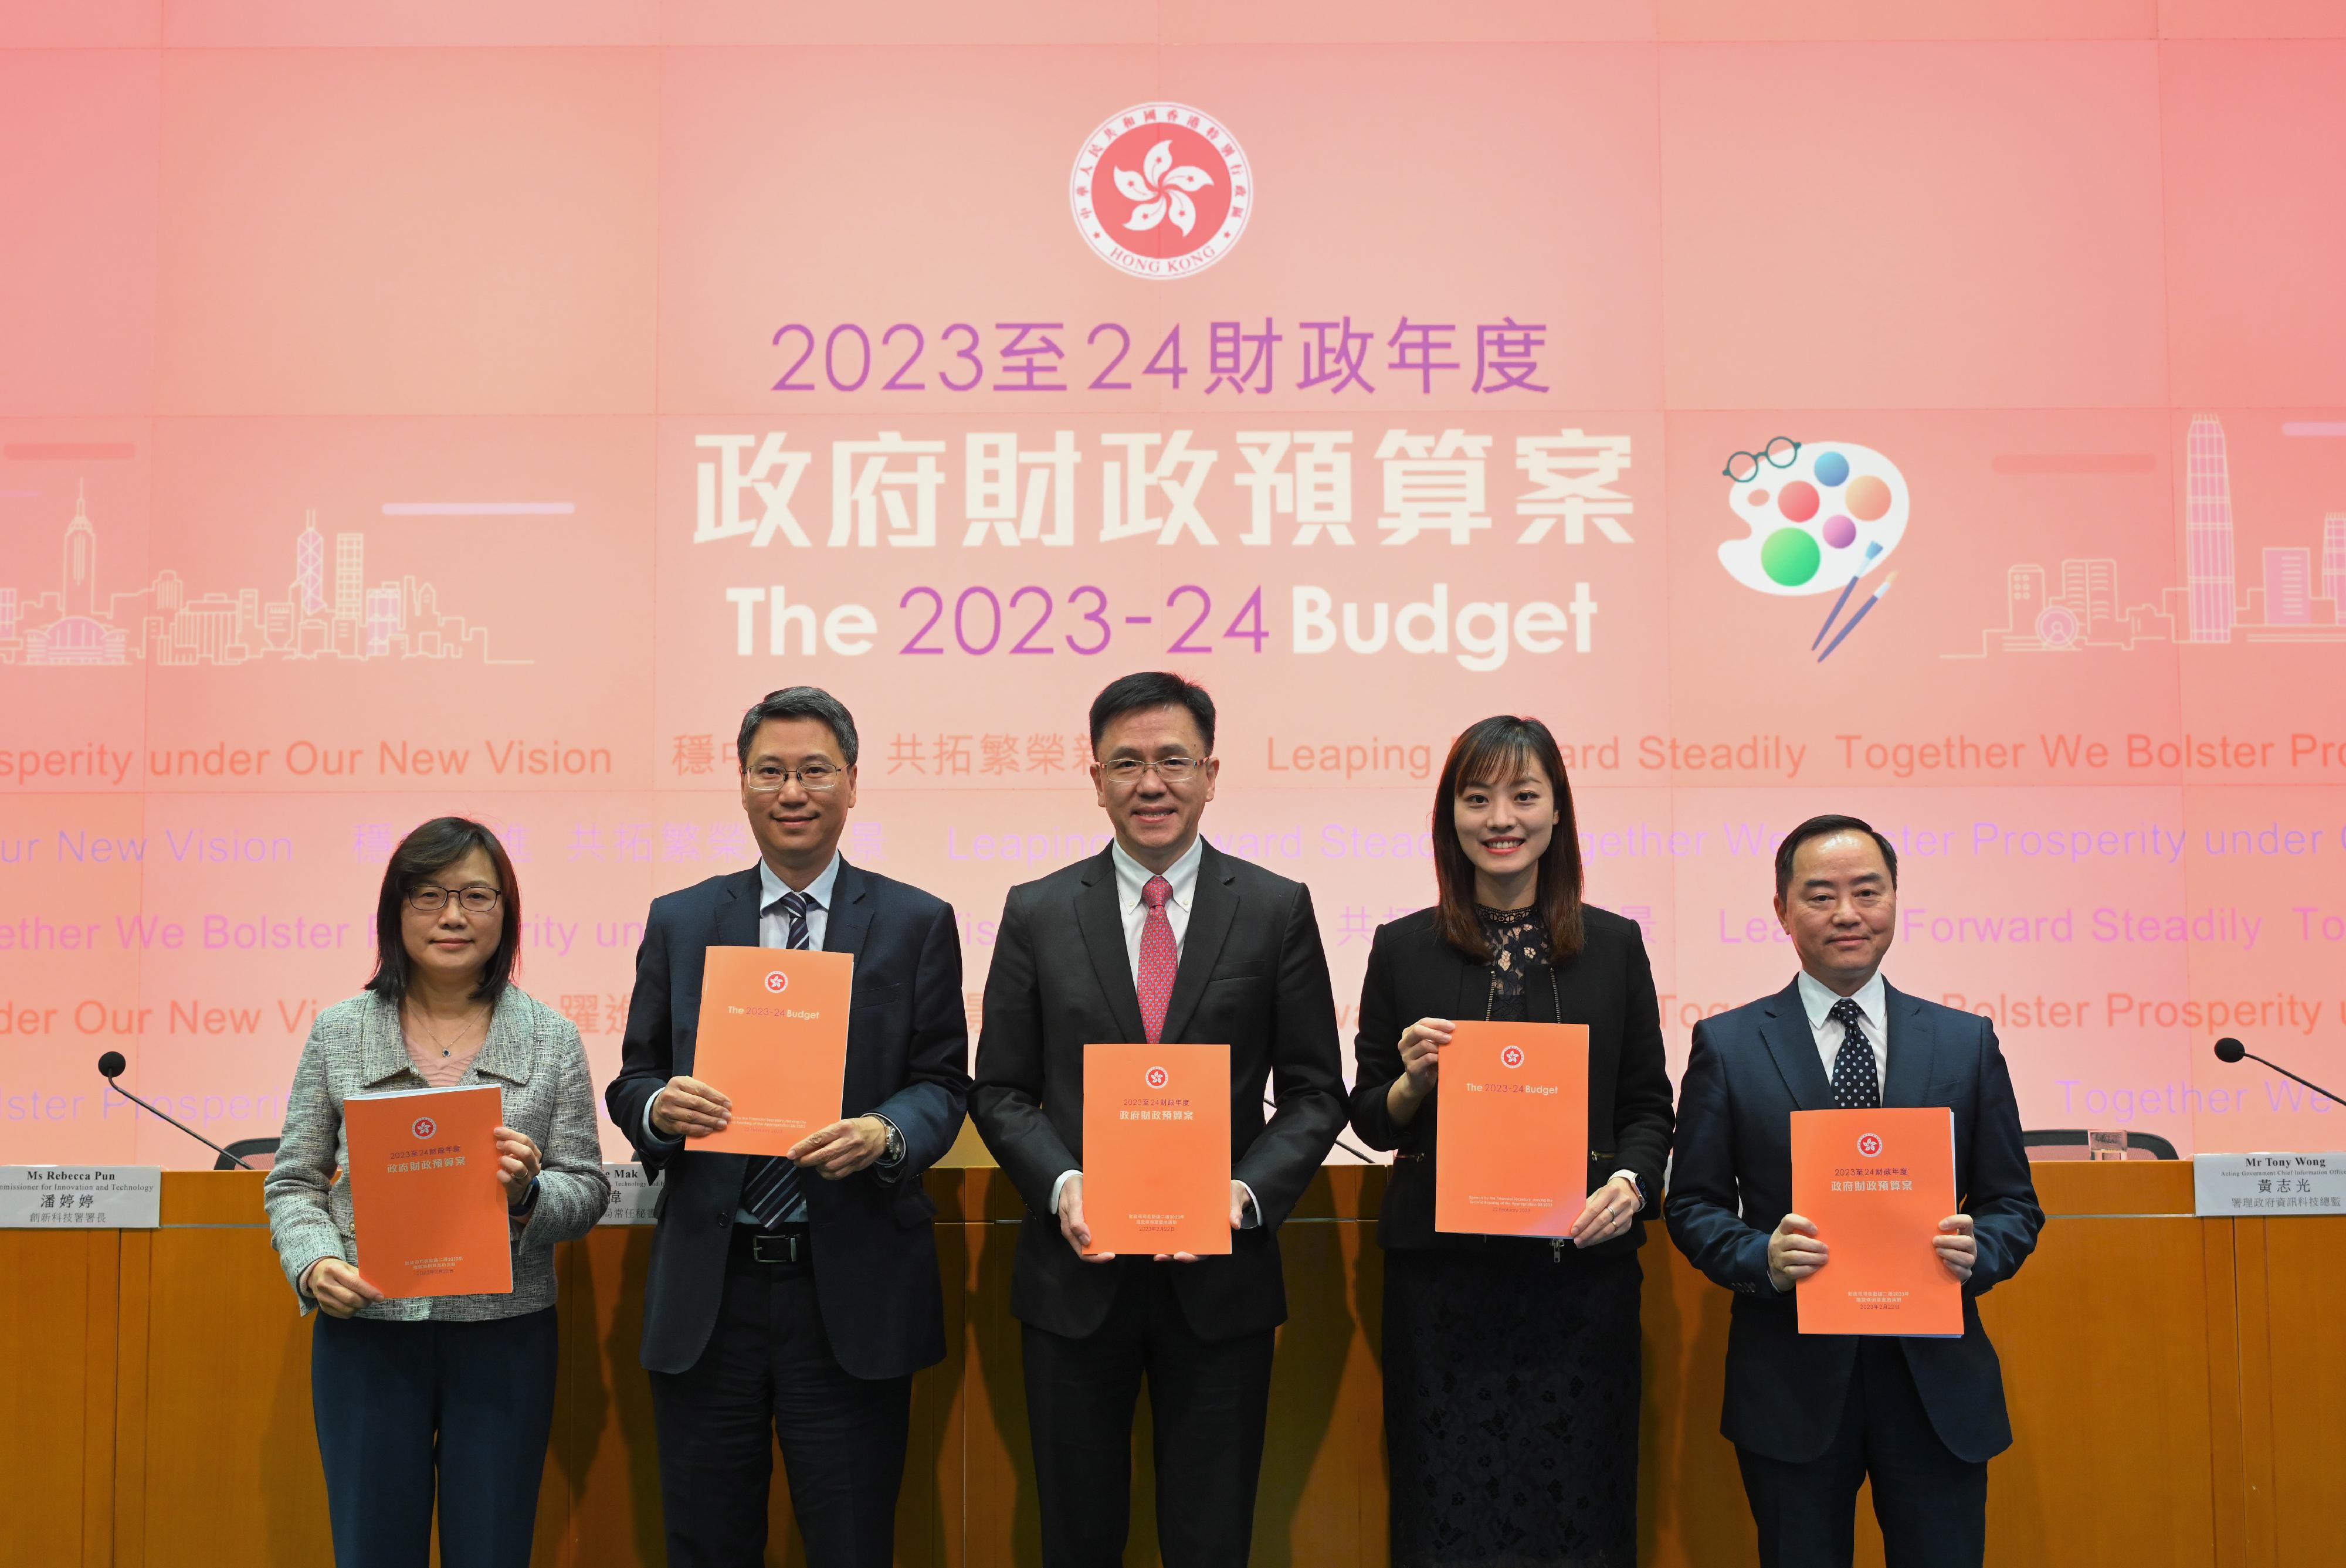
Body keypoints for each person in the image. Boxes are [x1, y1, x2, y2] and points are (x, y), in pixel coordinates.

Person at [969, 671, 1345, 1568]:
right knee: (1078, 1536)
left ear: (1211, 773)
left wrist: (1242, 1195)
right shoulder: (1036, 910)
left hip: (1221, 1284)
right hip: (1075, 1280)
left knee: (1211, 1539)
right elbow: (1001, 1090)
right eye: (1128, 762)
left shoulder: (1274, 906)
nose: (1152, 783)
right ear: (1094, 775)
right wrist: (1064, 1183)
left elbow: (1315, 1091)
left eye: (1174, 760)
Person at [605, 685, 969, 1568]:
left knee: (851, 1542)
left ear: (851, 782)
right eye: (771, 771)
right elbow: (634, 1076)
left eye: (814, 771)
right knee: (706, 1541)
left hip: (847, 1289)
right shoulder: (683, 918)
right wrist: (658, 1109)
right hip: (712, 1289)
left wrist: (886, 1133)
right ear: (741, 784)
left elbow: (943, 1083)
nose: (792, 791)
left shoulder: (916, 921)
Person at [1666, 814, 2045, 1568]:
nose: (1847, 913)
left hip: (1935, 1384)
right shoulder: (1730, 1044)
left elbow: (2013, 1203)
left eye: (1867, 891)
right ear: (1781, 910)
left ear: (1896, 899)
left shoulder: (1963, 1041)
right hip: (1792, 1385)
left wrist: (1983, 1249)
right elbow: (1692, 1204)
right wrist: (1763, 1258)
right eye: (1820, 895)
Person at [1346, 715, 1672, 1568]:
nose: (1502, 817)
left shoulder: (1614, 944)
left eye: (1525, 795)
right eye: (1477, 796)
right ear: (1449, 815)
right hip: (1443, 1287)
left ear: (1558, 812)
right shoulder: (1402, 945)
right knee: (1446, 1505)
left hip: (1580, 1281)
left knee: (1582, 1504)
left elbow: (1648, 1104)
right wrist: (1413, 1082)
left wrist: (1633, 1185)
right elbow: (1369, 1116)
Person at [264, 816, 611, 1568]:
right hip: (368, 1334)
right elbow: (293, 1179)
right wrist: (314, 1262)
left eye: (475, 895)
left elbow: (585, 1190)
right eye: (428, 895)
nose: (453, 916)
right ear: (395, 911)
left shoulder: (551, 1039)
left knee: (492, 1546)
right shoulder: (338, 1032)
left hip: (506, 1337)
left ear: (505, 912)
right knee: (372, 1548)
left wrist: (529, 1195)